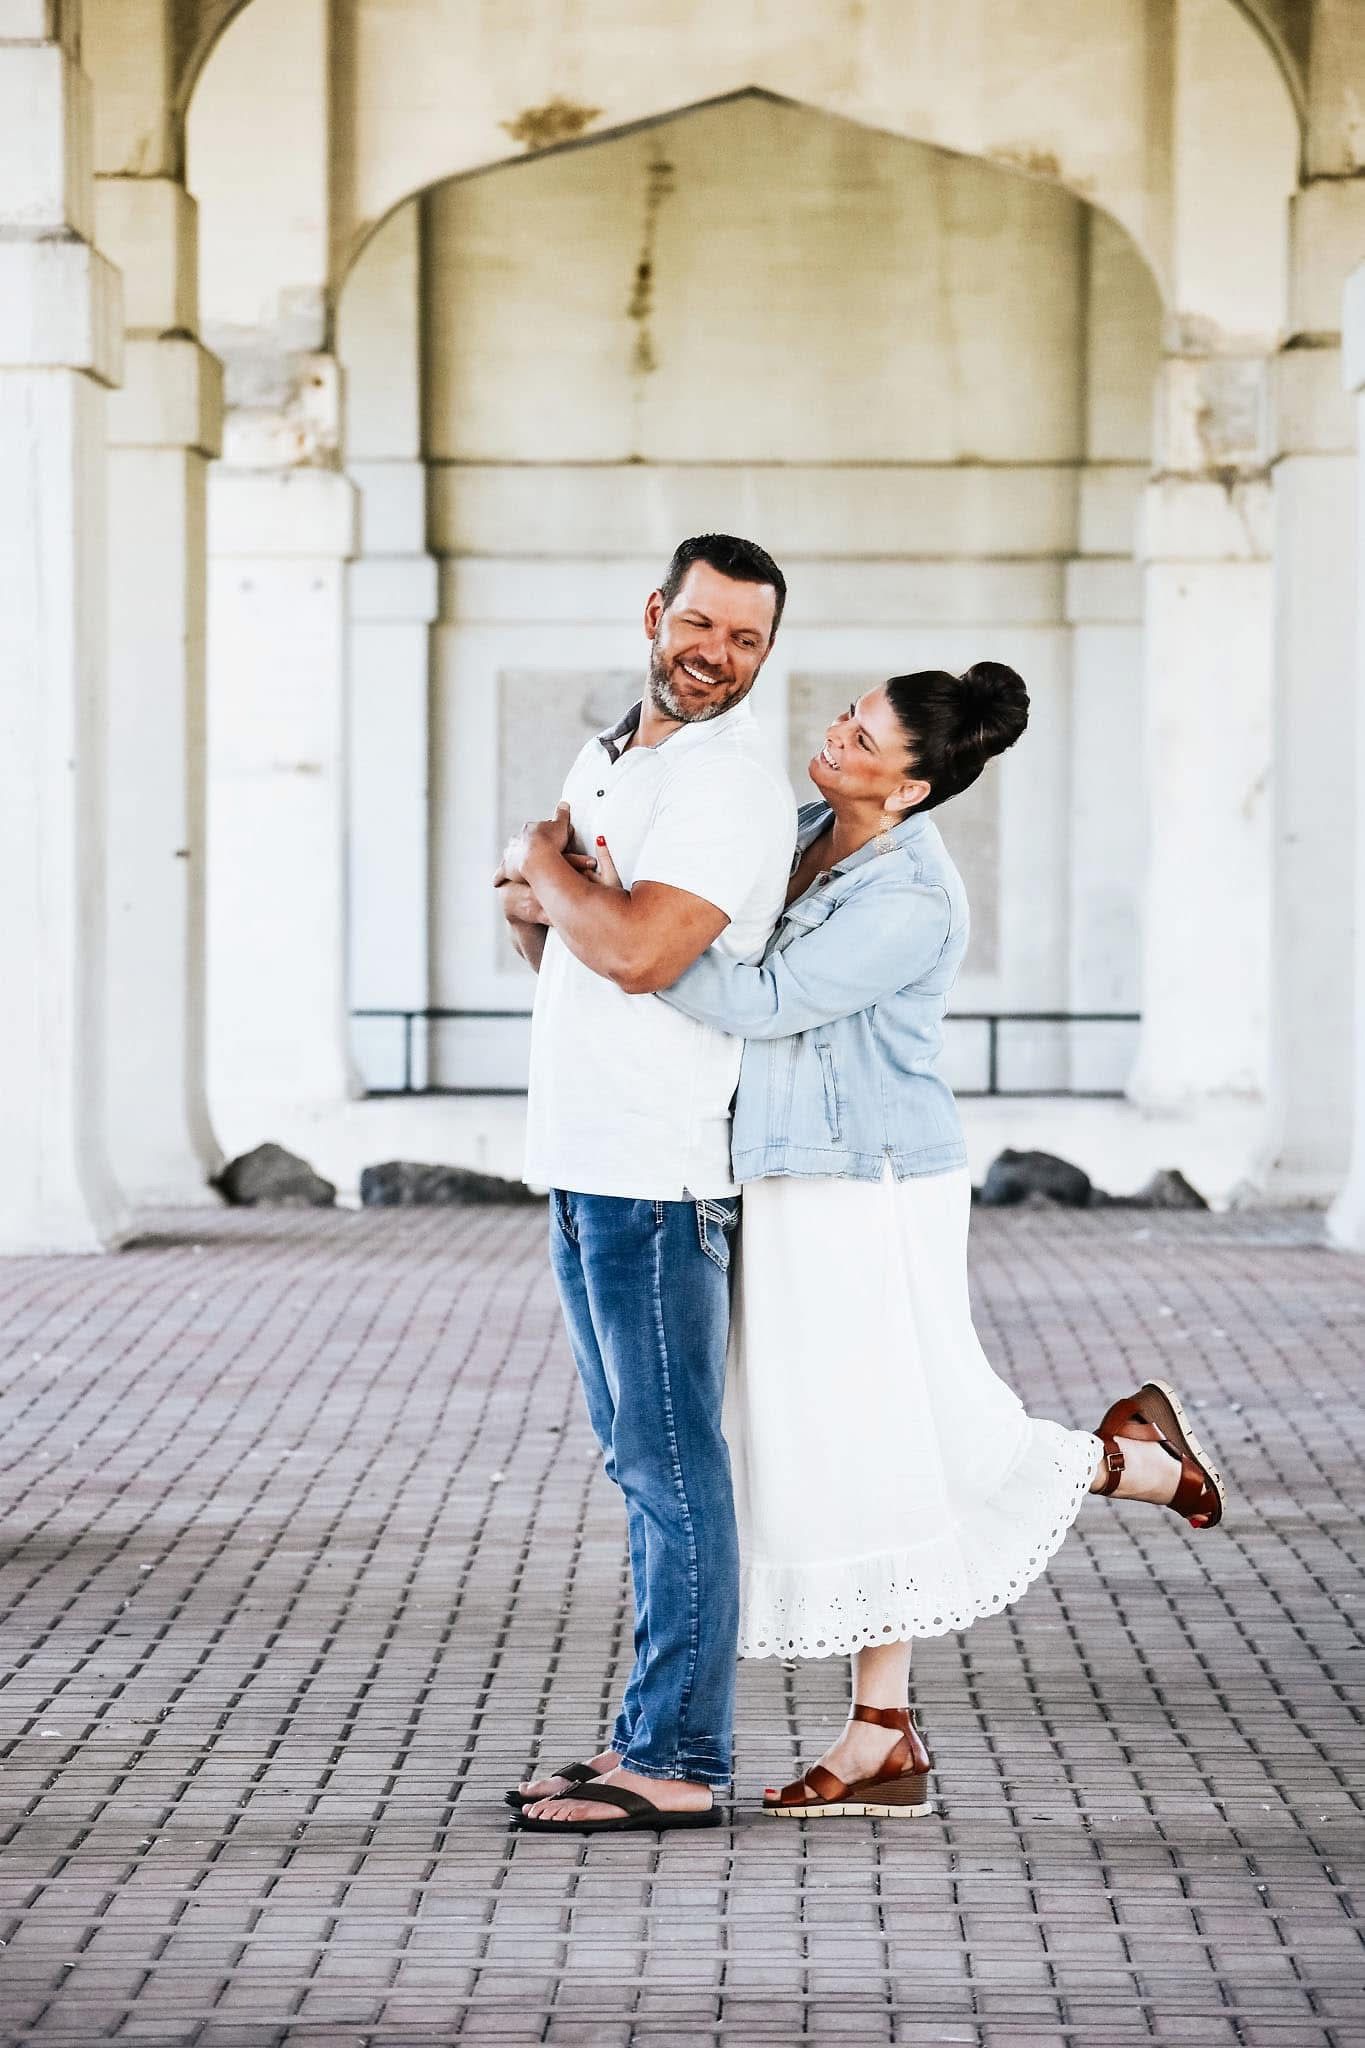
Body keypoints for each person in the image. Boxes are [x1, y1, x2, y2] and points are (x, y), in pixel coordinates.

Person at [517, 661, 1227, 1823]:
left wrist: (619, 928)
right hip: (785, 1171)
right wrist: (610, 915)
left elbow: (756, 998)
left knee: (899, 1430)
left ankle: (1132, 1462)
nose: (835, 738)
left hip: (869, 1185)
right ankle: (881, 1730)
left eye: (865, 741)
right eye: (847, 717)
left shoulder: (911, 894)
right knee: (859, 1443)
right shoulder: (807, 829)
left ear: (909, 789)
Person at [494, 534, 797, 1835]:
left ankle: (677, 1758)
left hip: (658, 1175)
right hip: (582, 1159)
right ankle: (642, 1738)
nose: (716, 655)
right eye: (701, 624)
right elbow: (544, 932)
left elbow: (632, 951)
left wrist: (548, 873)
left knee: (674, 1471)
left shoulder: (727, 786)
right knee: (640, 1463)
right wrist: (553, 889)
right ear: (653, 614)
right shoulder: (615, 757)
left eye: (744, 639)